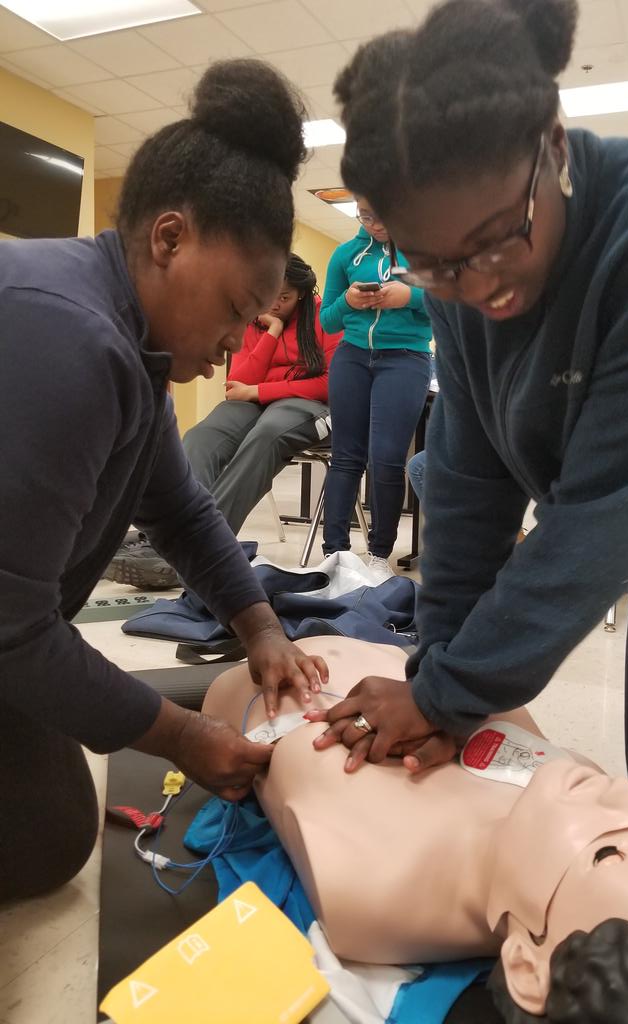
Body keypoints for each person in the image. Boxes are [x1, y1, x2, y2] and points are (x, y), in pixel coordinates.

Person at [306, 0, 628, 896]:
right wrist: (438, 677)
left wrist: (444, 698)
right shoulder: (455, 277)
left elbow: (601, 516)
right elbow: (474, 494)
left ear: (553, 146)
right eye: (434, 265)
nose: (475, 288)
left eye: (494, 243)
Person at [0, 59, 331, 903]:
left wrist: (260, 629)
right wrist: (181, 736)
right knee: (44, 842)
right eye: (232, 310)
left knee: (53, 822)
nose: (234, 343)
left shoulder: (129, 349)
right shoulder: (74, 340)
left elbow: (181, 510)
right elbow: (11, 627)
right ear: (170, 238)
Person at [201, 636, 628, 1023]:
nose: (621, 795)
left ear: (526, 963)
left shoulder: (362, 879)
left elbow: (287, 710)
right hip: (389, 647)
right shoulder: (575, 784)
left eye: (610, 854)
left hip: (261, 666)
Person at [105, 253, 341, 589]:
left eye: (284, 298)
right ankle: (166, 538)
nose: (273, 304)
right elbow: (238, 381)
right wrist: (271, 332)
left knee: (268, 433)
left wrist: (260, 390)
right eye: (269, 294)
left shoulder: (325, 316)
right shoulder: (256, 315)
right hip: (258, 400)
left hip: (313, 406)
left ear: (302, 294)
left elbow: (331, 383)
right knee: (203, 435)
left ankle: (200, 551)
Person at [319, 199, 433, 581]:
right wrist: (349, 301)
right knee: (345, 456)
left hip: (405, 359)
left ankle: (380, 555)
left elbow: (445, 304)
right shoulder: (345, 255)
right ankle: (334, 553)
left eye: (382, 213)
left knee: (385, 458)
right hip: (351, 356)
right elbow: (328, 320)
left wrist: (409, 296)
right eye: (365, 215)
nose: (375, 223)